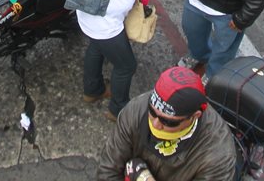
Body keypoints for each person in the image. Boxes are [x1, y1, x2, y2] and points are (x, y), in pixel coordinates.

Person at [94, 66, 237, 181]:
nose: (155, 124)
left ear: (195, 116)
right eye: (152, 111)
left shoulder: (218, 156)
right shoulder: (135, 110)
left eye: (167, 121)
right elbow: (108, 169)